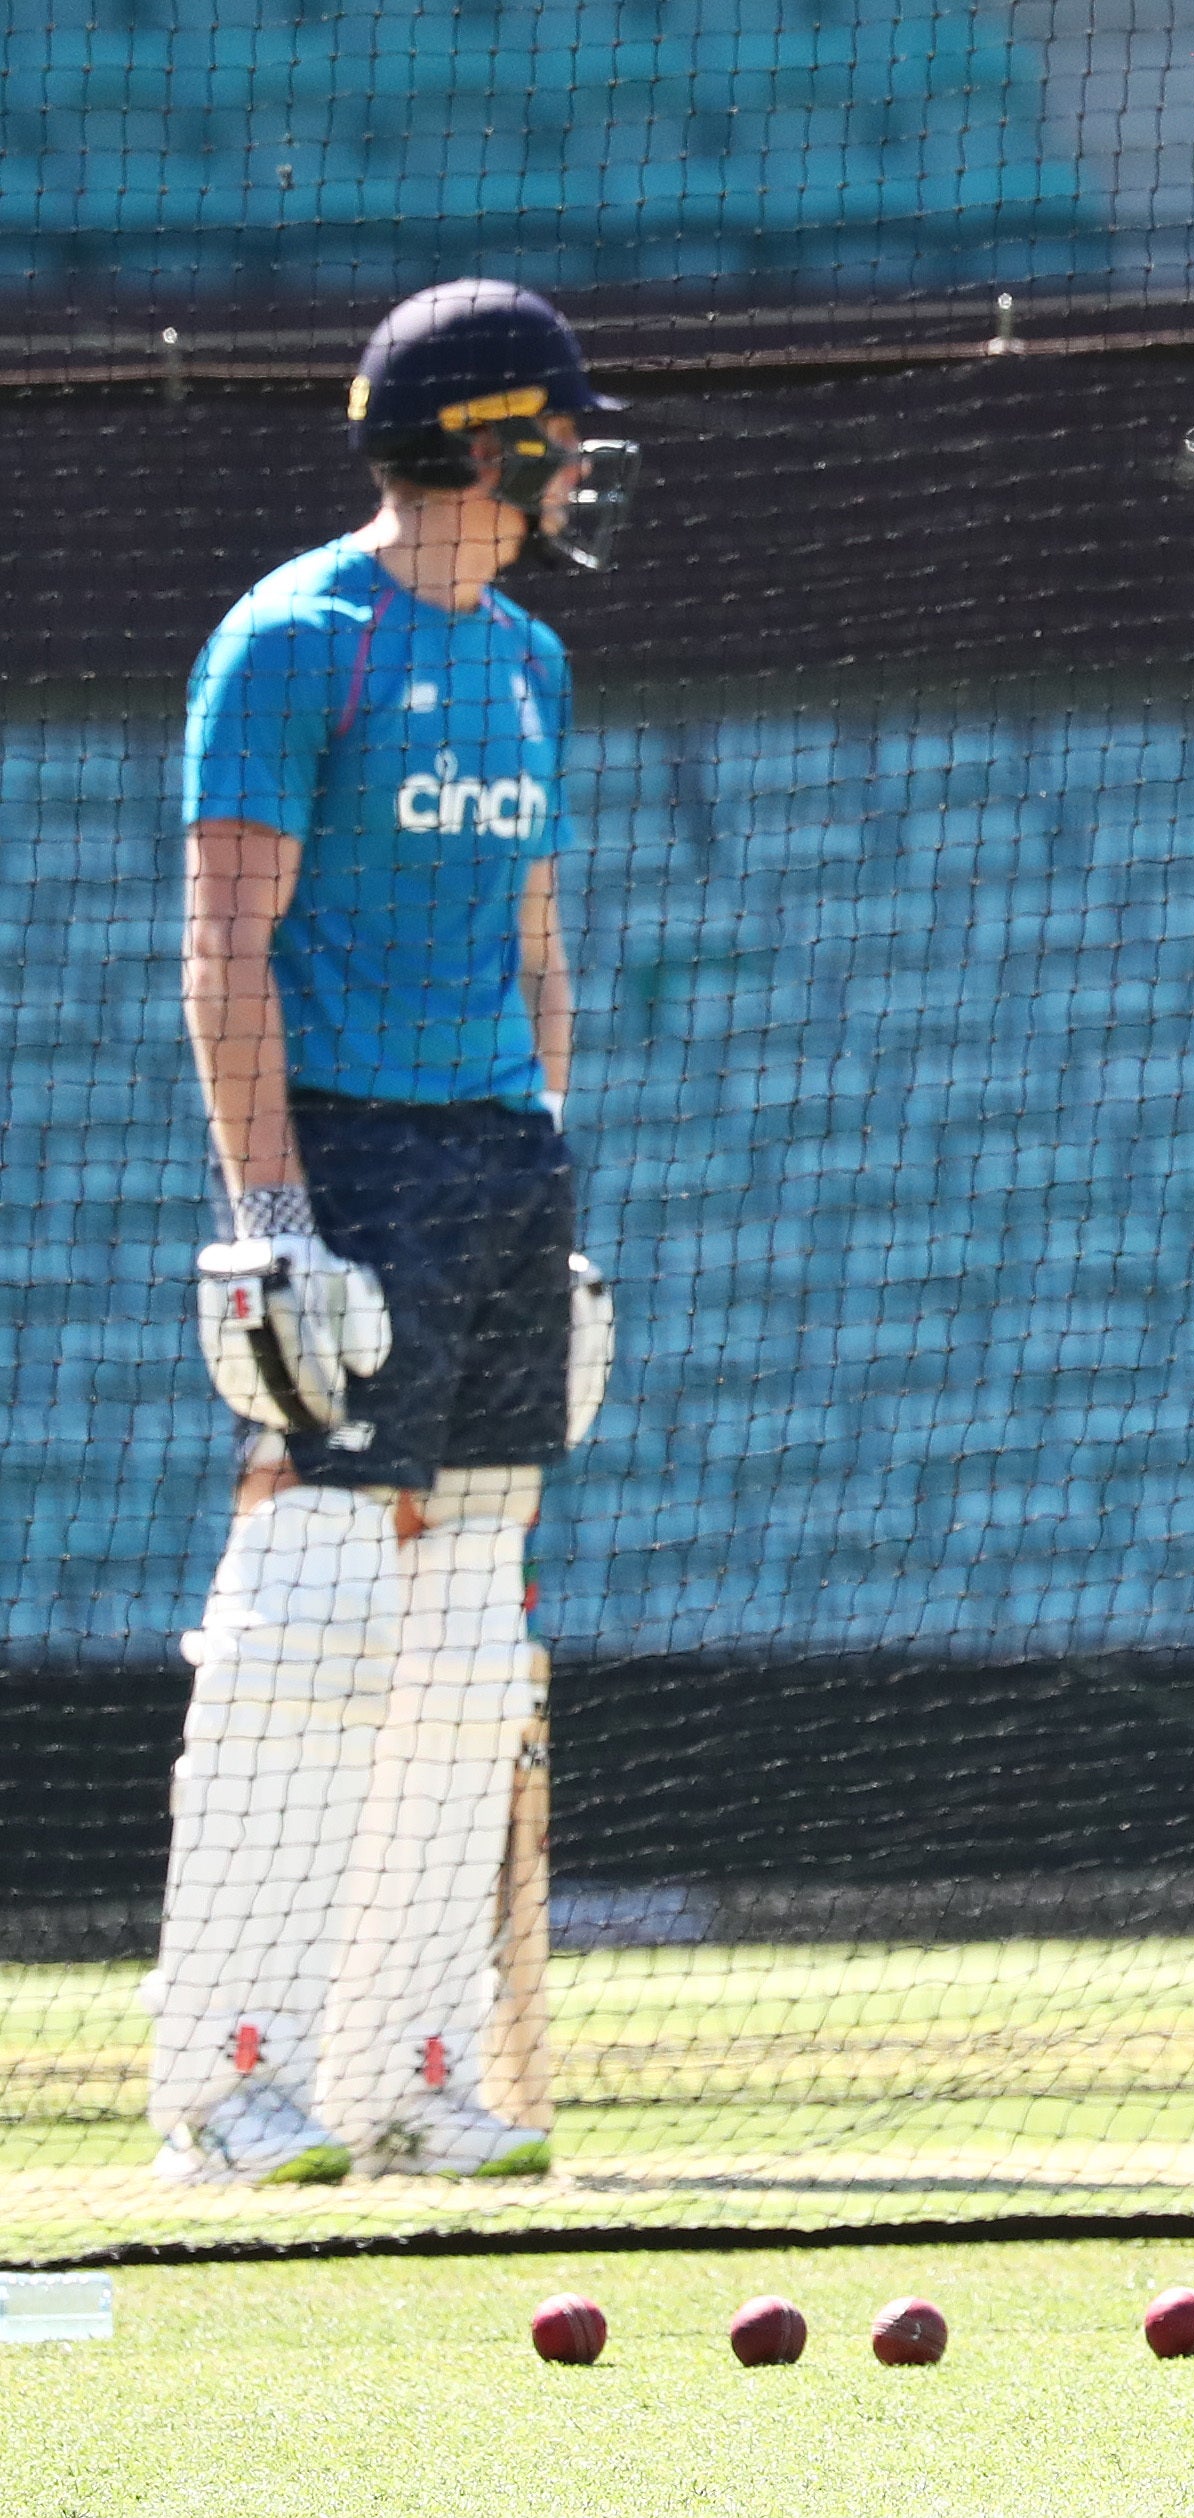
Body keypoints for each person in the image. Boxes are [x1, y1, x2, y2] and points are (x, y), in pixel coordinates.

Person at [149, 279, 637, 2186]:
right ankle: (227, 2079)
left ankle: (412, 2070)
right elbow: (225, 943)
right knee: (319, 1609)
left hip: (500, 1165)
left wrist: (552, 1198)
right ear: (493, 441)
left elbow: (536, 950)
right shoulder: (296, 645)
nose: (583, 466)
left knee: (466, 1630)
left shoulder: (530, 658)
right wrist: (268, 1215)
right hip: (348, 1156)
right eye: (564, 435)